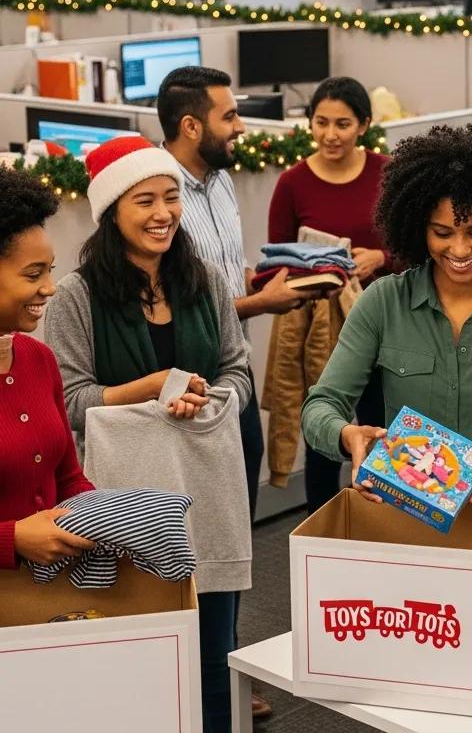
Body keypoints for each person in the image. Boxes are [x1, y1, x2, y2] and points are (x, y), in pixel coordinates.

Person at [301, 125, 472, 615]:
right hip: (409, 543)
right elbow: (320, 406)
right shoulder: (383, 303)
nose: (459, 249)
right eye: (442, 232)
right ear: (416, 226)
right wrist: (349, 438)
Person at [45, 136, 252, 733]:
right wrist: (154, 386)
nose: (163, 214)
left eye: (171, 198)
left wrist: (208, 400)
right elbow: (70, 402)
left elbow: (238, 371)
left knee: (214, 653)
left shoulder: (206, 280)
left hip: (207, 488)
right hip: (126, 501)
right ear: (112, 211)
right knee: (138, 647)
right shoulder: (76, 298)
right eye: (145, 201)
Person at [158, 64, 299, 720]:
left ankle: (227, 671)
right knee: (192, 551)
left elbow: (225, 275)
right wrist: (262, 301)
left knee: (234, 545)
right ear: (192, 126)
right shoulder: (162, 200)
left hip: (232, 388)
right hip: (186, 402)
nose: (241, 127)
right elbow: (183, 308)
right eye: (229, 116)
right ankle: (192, 684)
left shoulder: (219, 187)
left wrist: (271, 278)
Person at [267, 76, 390, 512]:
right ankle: (323, 532)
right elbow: (275, 263)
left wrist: (380, 257)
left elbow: (414, 246)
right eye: (321, 123)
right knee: (325, 438)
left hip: (384, 325)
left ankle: (385, 524)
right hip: (321, 328)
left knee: (382, 433)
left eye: (342, 124)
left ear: (364, 125)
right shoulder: (292, 183)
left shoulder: (386, 172)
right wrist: (313, 272)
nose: (330, 134)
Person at [0, 168, 95, 570]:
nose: (50, 287)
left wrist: (110, 516)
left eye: (50, 270)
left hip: (45, 596)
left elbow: (68, 477)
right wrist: (14, 538)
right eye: (33, 274)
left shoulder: (39, 359)